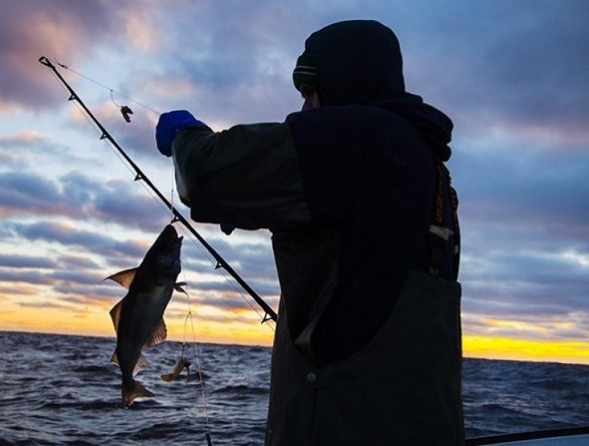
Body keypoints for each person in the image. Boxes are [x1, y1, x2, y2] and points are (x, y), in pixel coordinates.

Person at [155, 20, 463, 446]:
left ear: (346, 78)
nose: (305, 109)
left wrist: (185, 136)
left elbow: (204, 176)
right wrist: (267, 206)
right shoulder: (426, 167)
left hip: (340, 424)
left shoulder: (358, 135)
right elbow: (360, 257)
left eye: (310, 92)